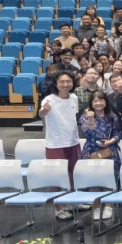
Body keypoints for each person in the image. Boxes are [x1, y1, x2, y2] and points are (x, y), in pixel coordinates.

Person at [40, 72, 81, 219]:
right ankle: (58, 207)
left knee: (73, 174)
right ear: (56, 83)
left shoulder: (74, 98)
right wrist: (44, 110)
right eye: (62, 81)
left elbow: (72, 117)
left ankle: (72, 200)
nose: (65, 84)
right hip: (55, 143)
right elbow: (41, 113)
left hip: (73, 142)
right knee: (56, 176)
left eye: (68, 81)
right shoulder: (49, 99)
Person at [79, 90, 122, 221]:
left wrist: (111, 141)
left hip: (109, 150)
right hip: (91, 151)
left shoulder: (112, 116)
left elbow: (118, 133)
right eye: (95, 101)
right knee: (94, 180)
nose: (98, 103)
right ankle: (96, 207)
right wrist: (91, 120)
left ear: (105, 101)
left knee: (109, 179)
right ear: (91, 103)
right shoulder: (85, 116)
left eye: (101, 100)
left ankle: (108, 206)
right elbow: (88, 134)